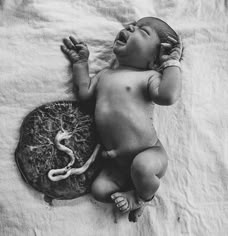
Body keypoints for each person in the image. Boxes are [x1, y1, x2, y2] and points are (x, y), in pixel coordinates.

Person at [60, 17, 182, 222]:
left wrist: (171, 64)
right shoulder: (104, 75)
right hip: (117, 166)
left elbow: (168, 96)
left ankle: (142, 197)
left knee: (143, 168)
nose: (130, 28)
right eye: (130, 26)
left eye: (142, 32)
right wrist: (80, 64)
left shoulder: (149, 76)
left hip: (149, 153)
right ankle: (132, 189)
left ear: (154, 60)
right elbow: (84, 94)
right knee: (99, 190)